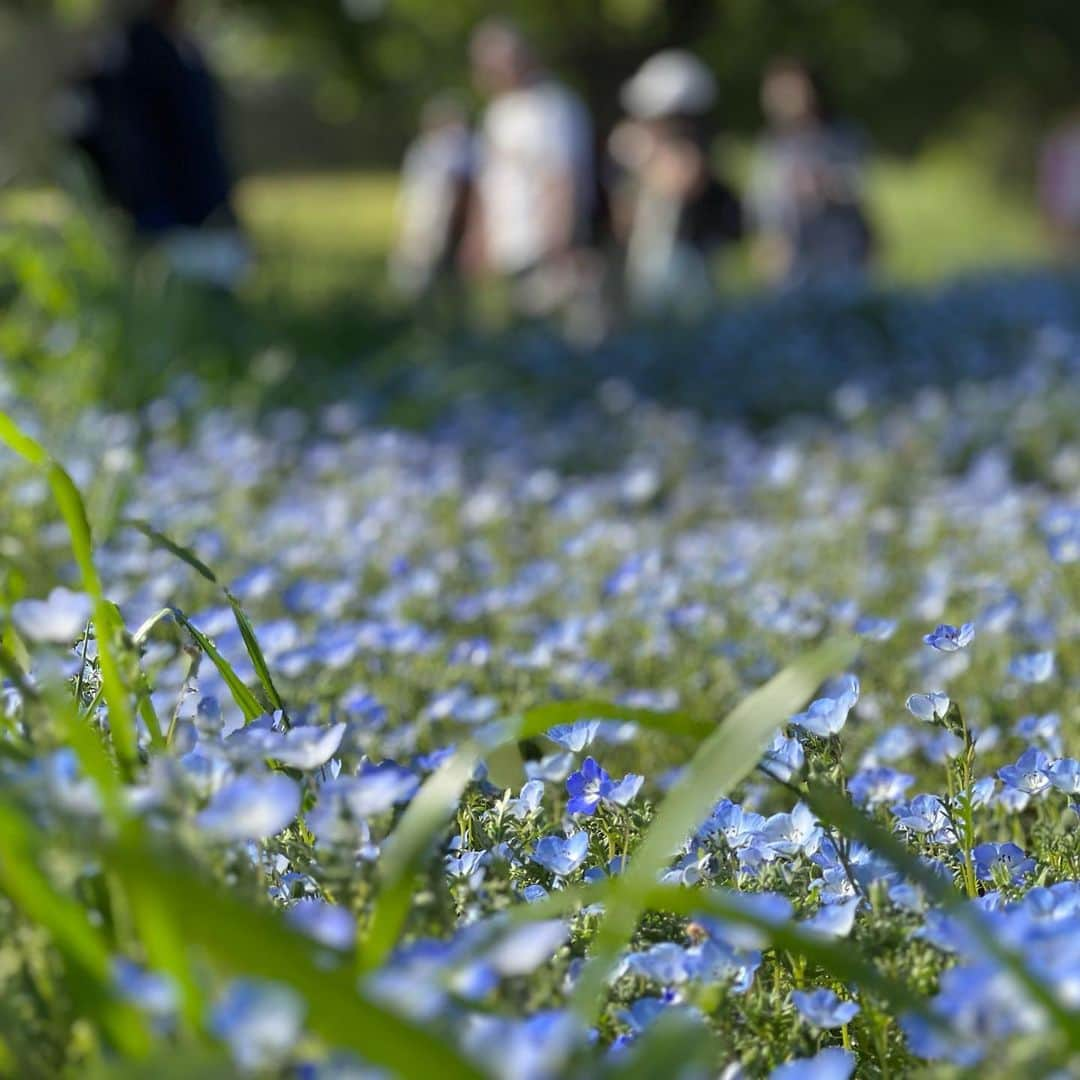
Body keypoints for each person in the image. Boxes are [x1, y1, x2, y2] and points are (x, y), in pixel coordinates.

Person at [61, 0, 249, 288]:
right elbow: (82, 121)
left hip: (208, 206)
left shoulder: (187, 48)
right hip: (162, 214)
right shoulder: (126, 49)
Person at [464, 18, 595, 319]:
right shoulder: (496, 113)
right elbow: (487, 183)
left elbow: (562, 178)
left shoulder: (554, 107)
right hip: (505, 249)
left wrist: (559, 243)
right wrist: (477, 238)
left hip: (544, 247)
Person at [608, 49, 741, 314]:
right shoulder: (647, 152)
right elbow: (624, 220)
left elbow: (677, 183)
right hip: (649, 268)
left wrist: (644, 158)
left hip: (687, 269)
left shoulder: (688, 155)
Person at [747, 57, 872, 287]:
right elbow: (763, 201)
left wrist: (824, 184)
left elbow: (860, 185)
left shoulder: (840, 136)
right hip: (792, 257)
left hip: (840, 247)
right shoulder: (771, 145)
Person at [389, 93, 475, 311]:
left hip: (446, 229)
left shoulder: (457, 150)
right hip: (422, 227)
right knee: (419, 285)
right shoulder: (423, 150)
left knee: (448, 288)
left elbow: (460, 191)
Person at [1038, 110, 1080, 261]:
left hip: (1065, 204)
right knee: (1065, 250)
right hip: (1065, 205)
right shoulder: (1060, 143)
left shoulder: (1059, 142)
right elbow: (1050, 180)